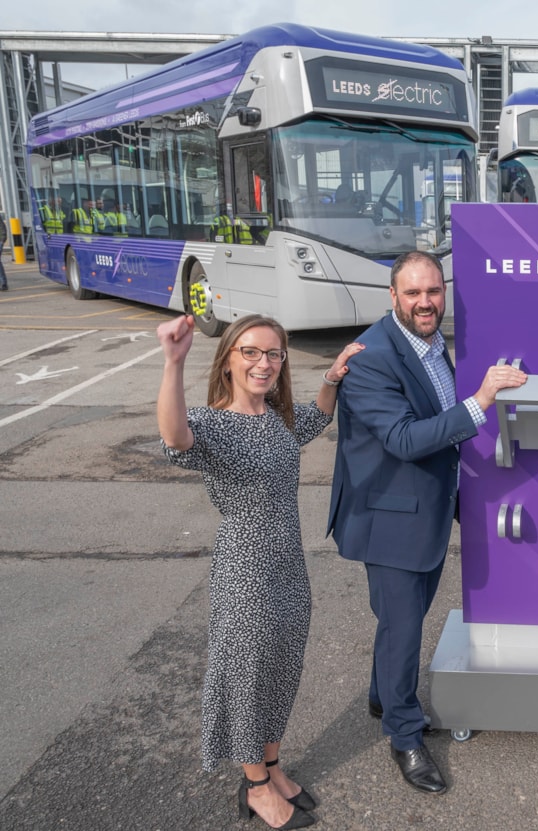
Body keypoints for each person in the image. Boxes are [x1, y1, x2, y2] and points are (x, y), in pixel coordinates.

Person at [327, 250, 527, 795]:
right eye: (413, 293)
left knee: (400, 619)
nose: (424, 303)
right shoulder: (372, 357)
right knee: (405, 626)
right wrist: (484, 399)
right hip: (389, 517)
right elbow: (404, 440)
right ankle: (405, 734)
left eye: (433, 292)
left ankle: (380, 696)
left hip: (427, 509)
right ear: (393, 296)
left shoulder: (436, 345)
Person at [157, 313, 364, 830]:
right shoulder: (211, 424)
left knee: (279, 671)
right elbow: (175, 438)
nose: (263, 363)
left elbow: (312, 423)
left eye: (273, 354)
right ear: (228, 359)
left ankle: (272, 767)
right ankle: (254, 788)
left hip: (288, 568)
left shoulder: (274, 416)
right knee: (248, 679)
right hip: (245, 573)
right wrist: (173, 362)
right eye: (250, 352)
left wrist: (332, 377)